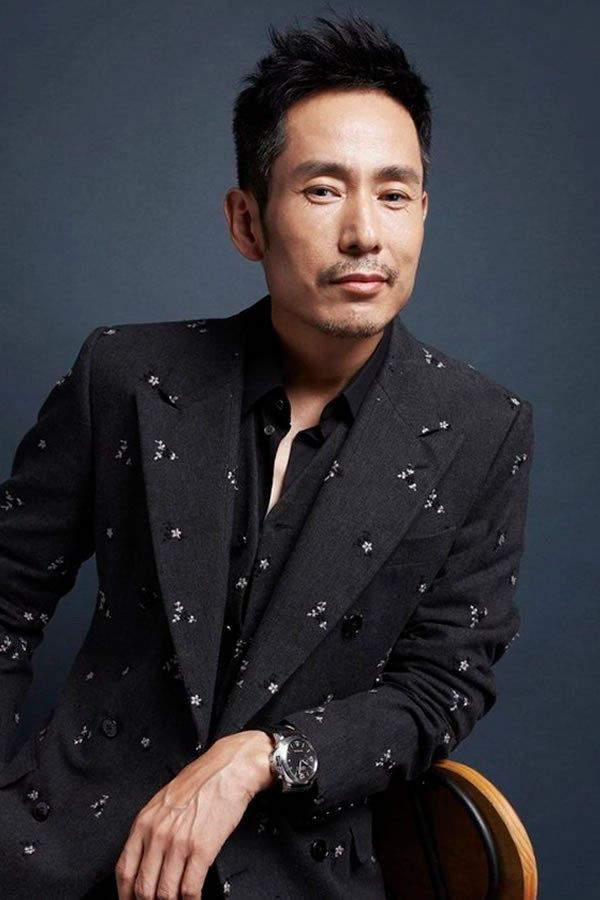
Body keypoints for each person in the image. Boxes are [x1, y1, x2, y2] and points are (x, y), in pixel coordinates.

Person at [0, 13, 534, 900]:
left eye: (394, 195)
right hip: (63, 849)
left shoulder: (482, 427)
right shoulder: (126, 375)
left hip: (296, 870)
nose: (365, 234)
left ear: (422, 213)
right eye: (323, 190)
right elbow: (8, 590)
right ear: (247, 221)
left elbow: (443, 683)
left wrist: (264, 757)